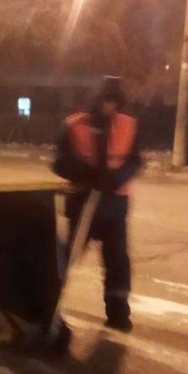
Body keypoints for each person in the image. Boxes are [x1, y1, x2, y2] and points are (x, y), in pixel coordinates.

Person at [52, 74, 143, 332]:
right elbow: (58, 162)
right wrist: (87, 174)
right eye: (105, 100)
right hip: (83, 205)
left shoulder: (128, 125)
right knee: (67, 259)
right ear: (96, 100)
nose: (109, 106)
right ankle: (46, 306)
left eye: (114, 101)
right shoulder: (75, 125)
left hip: (114, 207)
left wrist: (116, 178)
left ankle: (118, 313)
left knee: (117, 261)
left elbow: (135, 160)